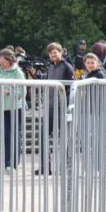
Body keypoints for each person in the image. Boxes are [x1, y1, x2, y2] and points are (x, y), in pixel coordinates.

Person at [37, 42, 75, 176]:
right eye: (51, 52)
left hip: (61, 107)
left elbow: (72, 88)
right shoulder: (50, 67)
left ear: (61, 52)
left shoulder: (67, 67)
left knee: (63, 138)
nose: (53, 54)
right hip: (50, 106)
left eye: (56, 52)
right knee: (43, 136)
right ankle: (45, 167)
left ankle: (64, 166)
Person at [0, 48, 26, 169]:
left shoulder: (18, 73)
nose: (1, 63)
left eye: (3, 61)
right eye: (0, 61)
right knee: (6, 135)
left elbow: (22, 92)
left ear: (9, 60)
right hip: (3, 107)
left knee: (15, 135)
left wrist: (8, 92)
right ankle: (6, 162)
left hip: (15, 107)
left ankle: (14, 162)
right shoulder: (0, 71)